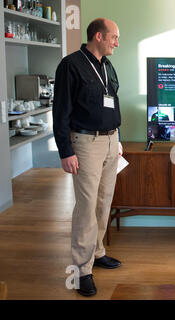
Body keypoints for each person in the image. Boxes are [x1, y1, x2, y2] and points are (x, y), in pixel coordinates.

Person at [53, 18, 123, 297]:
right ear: (98, 36)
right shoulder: (71, 65)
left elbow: (112, 99)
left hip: (110, 140)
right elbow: (60, 110)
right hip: (84, 142)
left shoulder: (107, 65)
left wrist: (117, 138)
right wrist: (65, 151)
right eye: (114, 37)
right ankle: (82, 269)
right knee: (86, 206)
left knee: (104, 201)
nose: (117, 42)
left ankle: (97, 251)